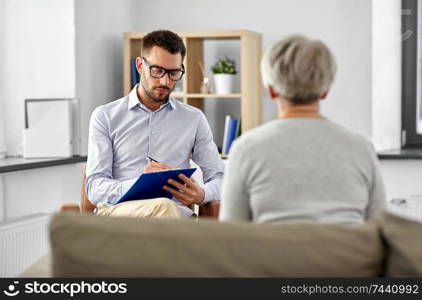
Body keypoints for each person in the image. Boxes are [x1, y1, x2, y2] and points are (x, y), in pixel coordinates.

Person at [219, 35, 386, 223]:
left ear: (272, 89)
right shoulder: (361, 148)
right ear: (325, 91)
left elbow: (231, 235)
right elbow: (380, 229)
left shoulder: (245, 149)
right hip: (347, 253)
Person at [86, 30, 224, 219]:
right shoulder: (105, 116)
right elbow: (94, 188)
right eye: (157, 71)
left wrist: (202, 194)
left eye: (174, 73)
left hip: (177, 217)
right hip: (119, 214)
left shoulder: (194, 119)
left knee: (167, 208)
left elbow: (220, 177)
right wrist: (140, 183)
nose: (165, 81)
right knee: (163, 207)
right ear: (140, 65)